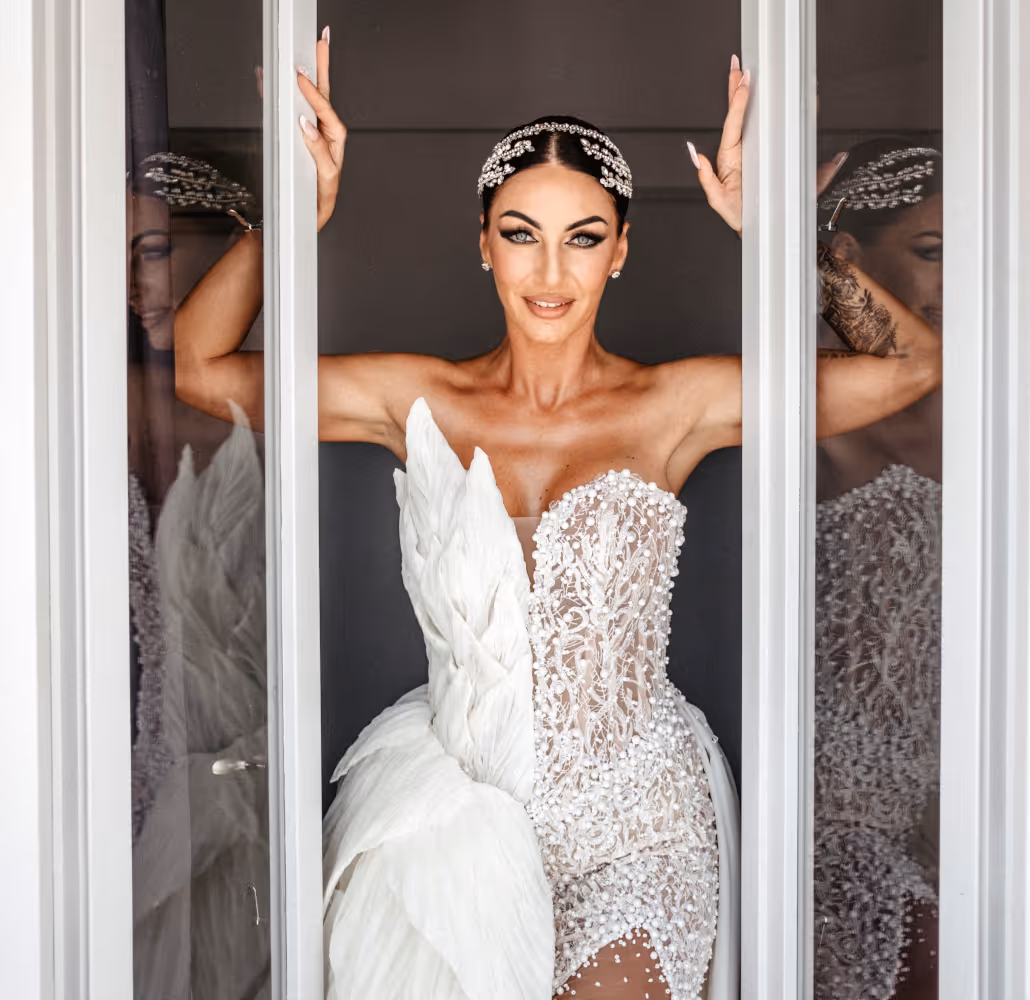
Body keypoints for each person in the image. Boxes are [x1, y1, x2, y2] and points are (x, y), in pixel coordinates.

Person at [172, 30, 942, 999]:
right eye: (520, 231)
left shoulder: (673, 405)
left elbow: (911, 366)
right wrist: (291, 216)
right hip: (456, 815)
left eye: (582, 236)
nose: (550, 271)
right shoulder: (419, 398)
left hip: (638, 823)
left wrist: (774, 233)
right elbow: (203, 369)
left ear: (619, 251)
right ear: (482, 240)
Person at [812, 140, 943, 1000]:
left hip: (970, 787)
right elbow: (908, 359)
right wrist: (806, 243)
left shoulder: (1002, 405)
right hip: (849, 807)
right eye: (932, 252)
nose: (955, 279)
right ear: (853, 259)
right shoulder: (818, 399)